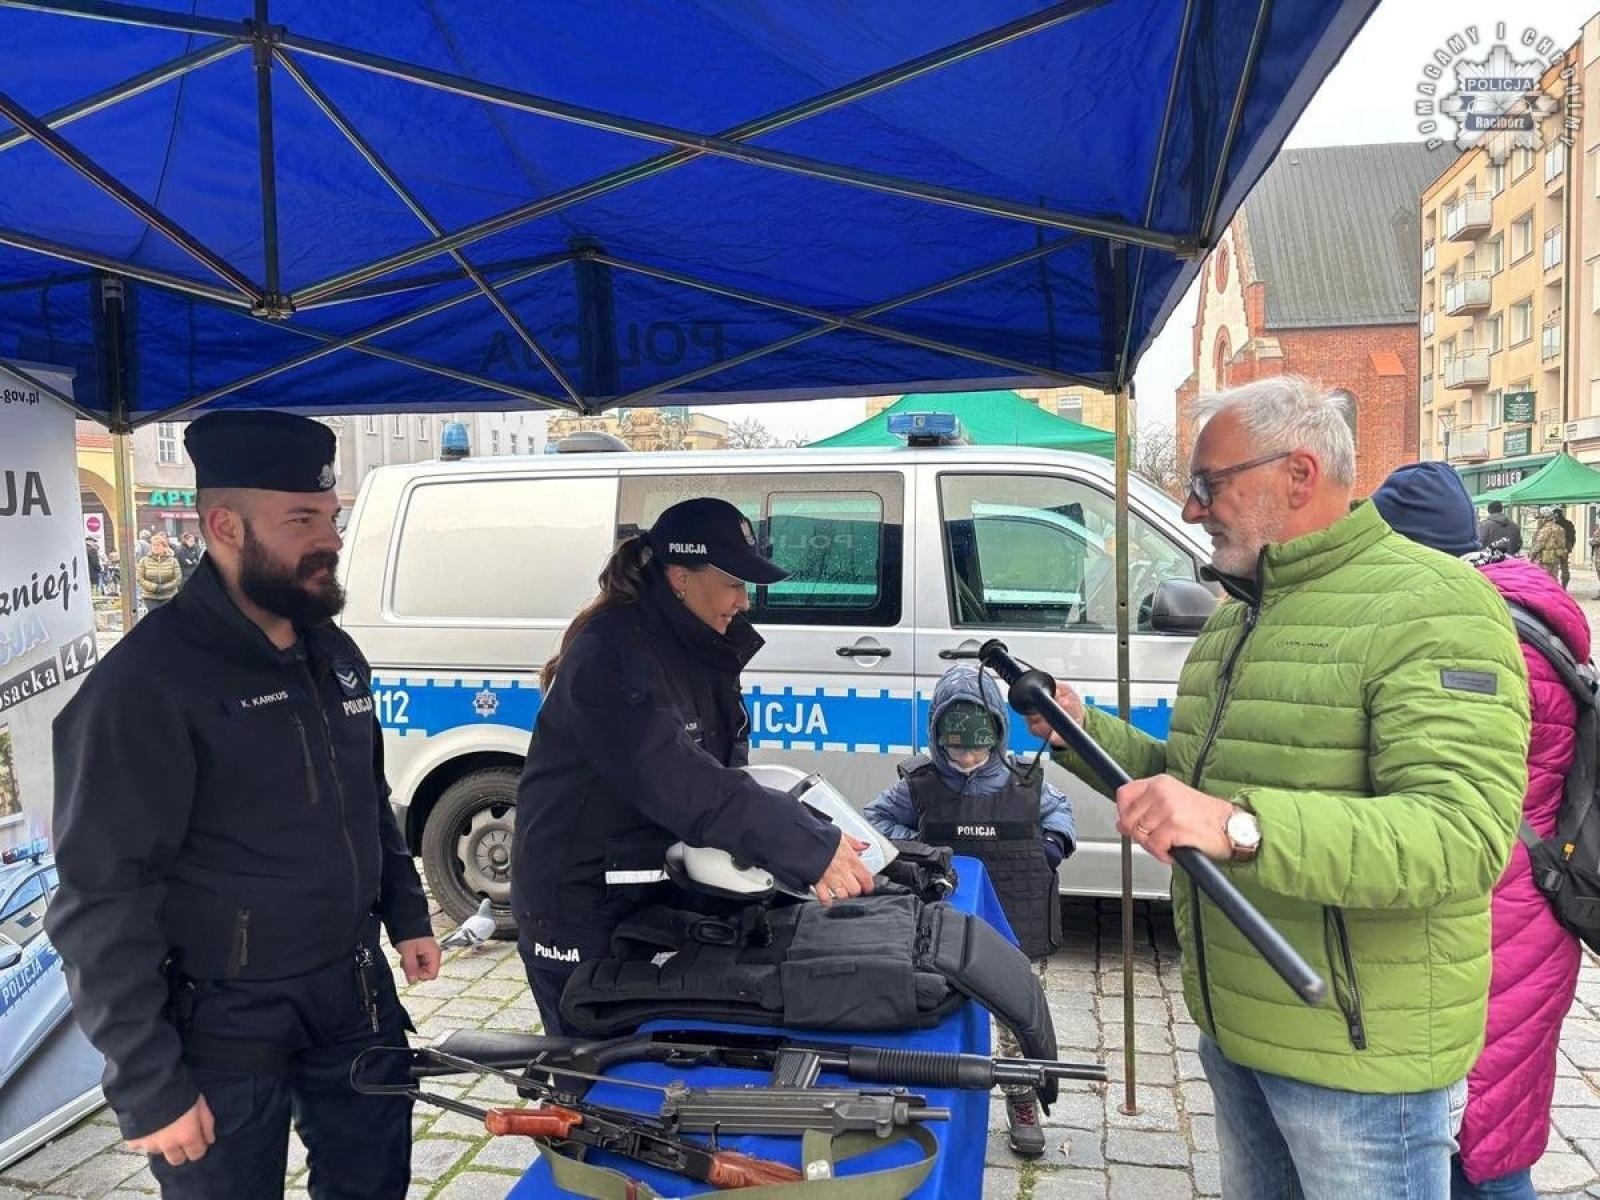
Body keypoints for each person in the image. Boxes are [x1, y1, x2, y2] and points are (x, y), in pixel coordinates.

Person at [1025, 376, 1529, 1199]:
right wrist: (1080, 731)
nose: (1191, 510)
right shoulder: (1238, 615)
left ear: (1299, 474)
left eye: (1208, 484)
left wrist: (1241, 827)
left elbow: (1458, 836)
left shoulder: (1435, 605)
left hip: (1359, 1061)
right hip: (1237, 1032)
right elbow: (1191, 791)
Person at [46, 410, 439, 1200]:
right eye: (301, 519)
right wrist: (150, 1084)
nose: (328, 538)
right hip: (223, 1024)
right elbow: (102, 895)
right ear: (224, 524)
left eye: (330, 516)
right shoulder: (145, 686)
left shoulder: (332, 650)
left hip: (353, 996)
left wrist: (407, 912)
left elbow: (367, 796)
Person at [512, 497, 873, 1035]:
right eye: (733, 584)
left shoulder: (694, 645)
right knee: (593, 1080)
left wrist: (807, 829)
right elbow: (677, 776)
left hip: (647, 895)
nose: (744, 602)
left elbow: (723, 766)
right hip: (580, 908)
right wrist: (799, 843)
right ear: (681, 577)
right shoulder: (611, 655)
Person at [1372, 461, 1586, 1200]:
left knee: (1480, 1143)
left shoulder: (1474, 635)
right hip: (1528, 897)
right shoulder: (1529, 613)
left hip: (1493, 909)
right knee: (1491, 1125)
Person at [864, 665, 1075, 1157]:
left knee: (1015, 1023)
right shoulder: (917, 783)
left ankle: (1021, 1098)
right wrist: (914, 846)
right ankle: (933, 1097)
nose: (967, 757)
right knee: (940, 1013)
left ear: (997, 735)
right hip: (944, 924)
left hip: (1013, 923)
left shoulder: (1026, 780)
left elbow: (1061, 813)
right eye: (956, 748)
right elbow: (873, 819)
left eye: (977, 748)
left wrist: (1051, 843)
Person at [136, 532, 183, 612]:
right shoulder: (144, 560)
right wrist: (154, 587)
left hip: (169, 595)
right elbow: (140, 578)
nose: (156, 547)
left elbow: (177, 579)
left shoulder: (173, 561)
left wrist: (164, 587)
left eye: (158, 545)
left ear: (164, 547)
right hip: (150, 596)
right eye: (153, 545)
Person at [1531, 508, 1566, 583]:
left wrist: (1532, 556)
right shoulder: (1560, 528)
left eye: (1539, 518)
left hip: (1545, 559)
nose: (1538, 520)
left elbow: (1539, 545)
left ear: (1544, 518)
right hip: (1556, 557)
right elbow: (1562, 544)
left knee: (1543, 580)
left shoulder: (1546, 529)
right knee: (1554, 579)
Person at [1555, 505, 1577, 586]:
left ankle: (1556, 586)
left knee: (1554, 567)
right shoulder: (1569, 524)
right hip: (1565, 548)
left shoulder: (1554, 524)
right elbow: (1573, 537)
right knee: (1564, 568)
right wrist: (1570, 547)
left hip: (1555, 549)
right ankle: (1564, 586)